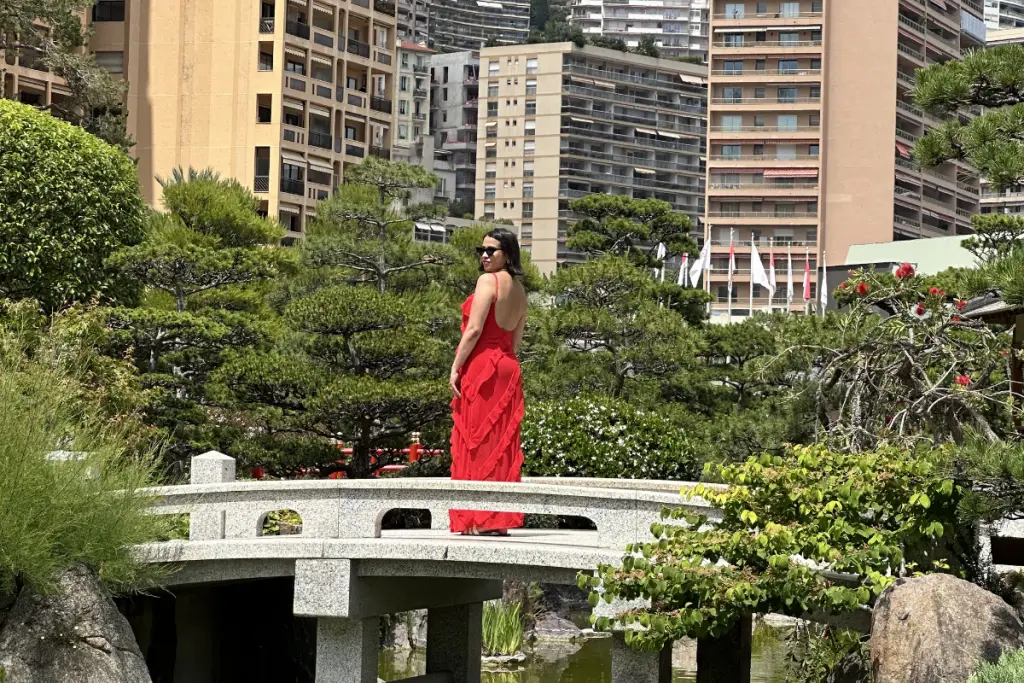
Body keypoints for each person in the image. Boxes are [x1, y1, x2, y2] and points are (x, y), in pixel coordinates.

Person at [448, 228, 528, 536]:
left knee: (478, 441)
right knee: (501, 442)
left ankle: (478, 518)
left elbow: (474, 330)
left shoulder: (488, 281)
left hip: (482, 366)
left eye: (491, 250)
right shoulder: (520, 290)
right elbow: (516, 341)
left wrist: (456, 368)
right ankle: (498, 520)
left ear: (507, 254)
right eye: (481, 250)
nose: (484, 255)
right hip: (508, 366)